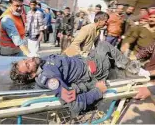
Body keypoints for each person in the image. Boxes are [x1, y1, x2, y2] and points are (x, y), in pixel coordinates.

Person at [10, 41, 142, 117]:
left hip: (87, 61)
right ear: (32, 75)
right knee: (103, 45)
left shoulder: (40, 63)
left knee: (105, 53)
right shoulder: (49, 78)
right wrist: (98, 91)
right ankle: (130, 66)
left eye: (25, 60)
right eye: (27, 64)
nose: (30, 59)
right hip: (95, 69)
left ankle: (125, 67)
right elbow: (75, 105)